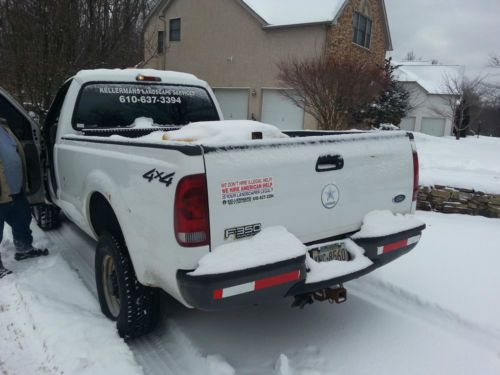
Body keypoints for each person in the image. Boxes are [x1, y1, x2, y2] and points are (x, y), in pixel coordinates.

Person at [0, 116, 48, 278]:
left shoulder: (4, 127)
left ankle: (24, 249)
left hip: (15, 188)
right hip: (1, 191)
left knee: (22, 218)